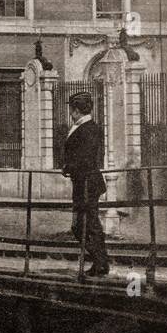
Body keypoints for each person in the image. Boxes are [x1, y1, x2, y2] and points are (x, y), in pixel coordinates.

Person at [62, 91, 110, 277]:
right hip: (82, 182)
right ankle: (100, 262)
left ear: (76, 110)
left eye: (72, 110)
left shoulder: (88, 128)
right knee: (84, 224)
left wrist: (69, 167)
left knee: (86, 224)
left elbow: (86, 158)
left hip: (88, 182)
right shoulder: (83, 126)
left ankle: (101, 263)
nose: (71, 114)